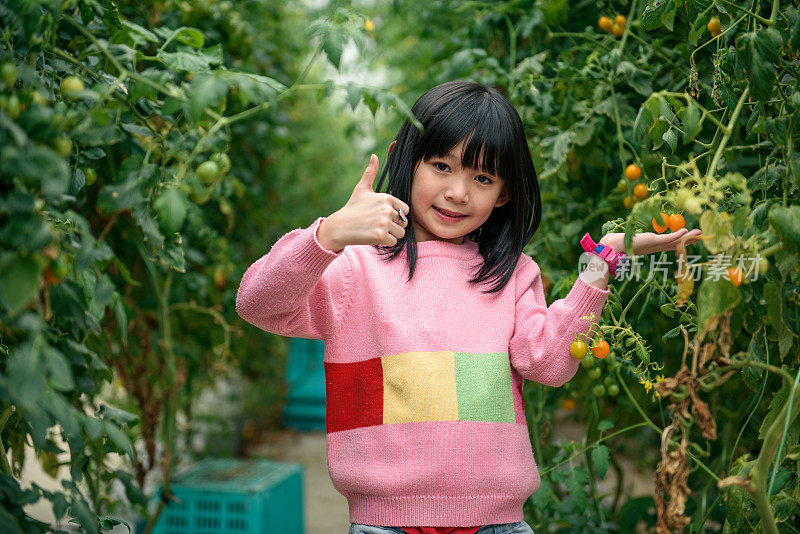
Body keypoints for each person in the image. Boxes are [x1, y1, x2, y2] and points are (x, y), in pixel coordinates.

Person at [235, 80, 702, 534]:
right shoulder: (357, 269)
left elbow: (552, 363)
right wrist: (328, 235)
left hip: (498, 523)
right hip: (385, 522)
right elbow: (258, 303)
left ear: (504, 193)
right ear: (406, 159)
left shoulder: (512, 274)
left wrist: (602, 262)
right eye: (441, 166)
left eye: (481, 177)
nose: (458, 192)